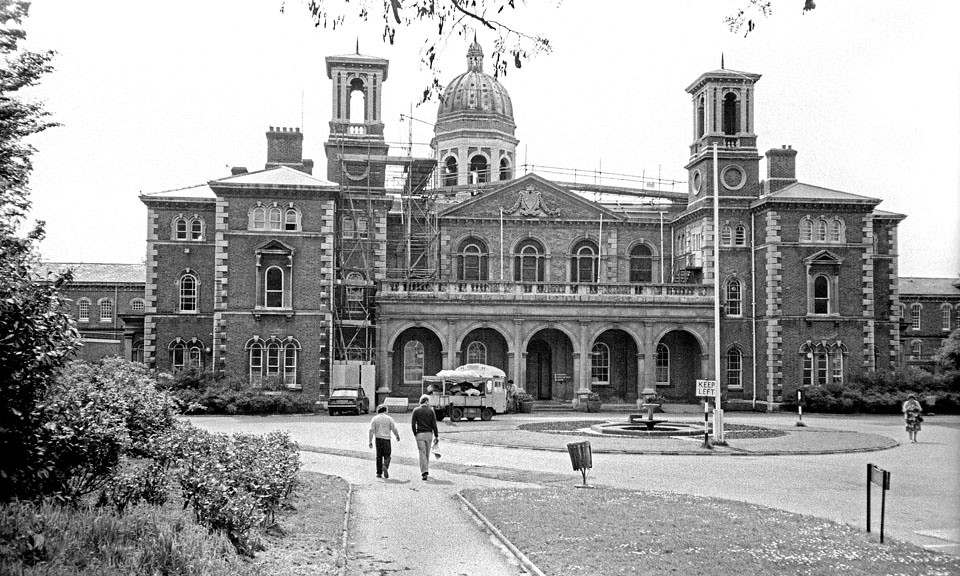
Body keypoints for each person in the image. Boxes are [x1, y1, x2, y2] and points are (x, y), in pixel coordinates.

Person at [411, 394, 439, 480]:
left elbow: (413, 424)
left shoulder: (416, 410)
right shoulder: (431, 411)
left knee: (422, 453)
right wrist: (436, 435)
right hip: (429, 434)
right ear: (426, 401)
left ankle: (424, 471)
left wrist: (415, 433)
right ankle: (425, 470)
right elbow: (434, 424)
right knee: (427, 453)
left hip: (420, 434)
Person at [368, 405, 400, 478]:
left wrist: (370, 441)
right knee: (387, 455)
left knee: (379, 456)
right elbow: (394, 428)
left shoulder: (375, 419)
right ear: (385, 410)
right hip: (387, 439)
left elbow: (371, 430)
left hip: (378, 439)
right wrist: (397, 436)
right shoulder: (389, 418)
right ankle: (385, 466)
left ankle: (379, 473)